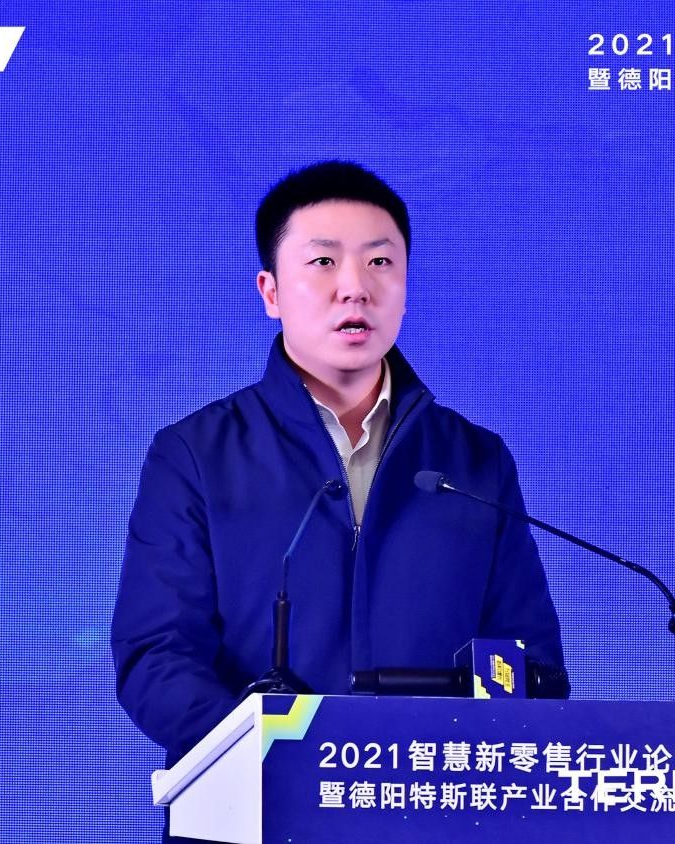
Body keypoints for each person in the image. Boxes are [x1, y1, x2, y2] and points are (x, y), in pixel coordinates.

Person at [111, 161, 566, 812]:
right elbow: (157, 655)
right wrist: (282, 757)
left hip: (432, 812)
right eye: (323, 263)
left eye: (380, 263)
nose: (354, 288)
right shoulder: (196, 455)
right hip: (256, 811)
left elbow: (531, 660)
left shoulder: (475, 462)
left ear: (406, 285)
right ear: (270, 291)